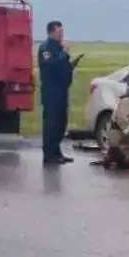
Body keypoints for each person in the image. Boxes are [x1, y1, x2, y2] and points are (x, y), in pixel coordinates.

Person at [38, 20, 81, 166]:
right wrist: (65, 53)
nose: (62, 34)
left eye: (62, 31)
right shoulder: (46, 48)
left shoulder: (58, 47)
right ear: (51, 32)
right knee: (51, 124)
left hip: (62, 91)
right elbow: (53, 65)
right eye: (59, 32)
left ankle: (57, 153)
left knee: (61, 124)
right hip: (51, 93)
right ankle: (49, 155)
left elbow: (62, 66)